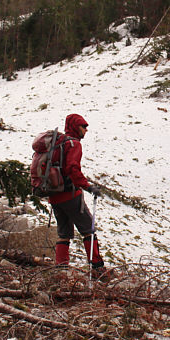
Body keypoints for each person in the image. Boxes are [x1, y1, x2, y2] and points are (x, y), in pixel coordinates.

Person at [50, 113, 107, 276]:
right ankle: (97, 268)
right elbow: (73, 169)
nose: (86, 130)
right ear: (76, 127)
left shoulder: (58, 142)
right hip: (70, 195)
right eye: (83, 126)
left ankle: (61, 271)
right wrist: (88, 187)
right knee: (88, 229)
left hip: (54, 195)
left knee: (64, 234)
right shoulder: (73, 144)